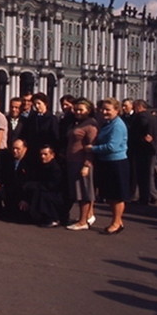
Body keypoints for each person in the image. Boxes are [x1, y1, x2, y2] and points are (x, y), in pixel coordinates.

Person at [86, 97, 129, 235]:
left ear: (117, 110)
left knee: (116, 195)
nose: (104, 112)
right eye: (103, 109)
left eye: (108, 110)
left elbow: (112, 146)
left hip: (116, 162)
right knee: (110, 195)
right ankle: (117, 221)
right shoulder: (107, 123)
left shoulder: (117, 125)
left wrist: (92, 149)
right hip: (107, 162)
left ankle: (117, 222)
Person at [65, 99, 98, 230]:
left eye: (81, 110)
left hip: (81, 162)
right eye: (76, 109)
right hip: (73, 160)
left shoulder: (91, 125)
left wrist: (87, 165)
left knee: (83, 192)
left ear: (88, 111)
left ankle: (83, 221)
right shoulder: (79, 123)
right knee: (78, 191)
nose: (78, 112)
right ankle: (84, 218)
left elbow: (91, 146)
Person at [21, 146, 65, 228]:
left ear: (52, 155)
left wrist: (34, 185)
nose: (42, 156)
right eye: (41, 154)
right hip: (43, 189)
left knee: (43, 194)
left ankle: (53, 219)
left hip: (56, 195)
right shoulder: (40, 166)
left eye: (45, 154)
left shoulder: (56, 169)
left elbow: (52, 186)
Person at [132, 99, 157, 205]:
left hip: (143, 149)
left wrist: (143, 137)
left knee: (143, 175)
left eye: (134, 106)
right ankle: (152, 195)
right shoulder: (152, 116)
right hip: (152, 148)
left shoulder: (141, 116)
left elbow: (143, 126)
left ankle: (144, 197)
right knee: (149, 174)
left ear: (139, 107)